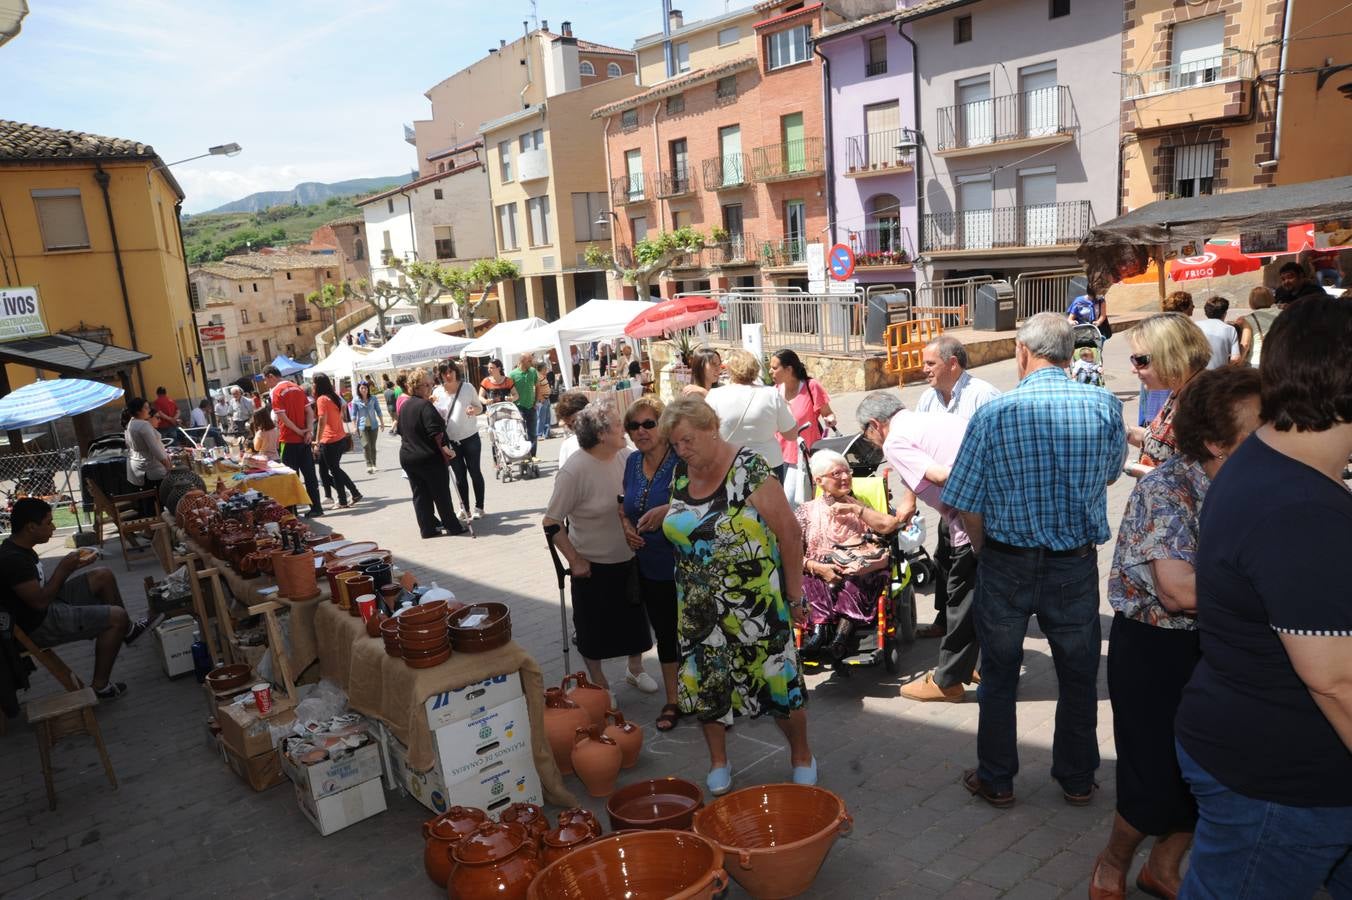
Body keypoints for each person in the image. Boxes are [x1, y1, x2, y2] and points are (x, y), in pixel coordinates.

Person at [1173, 298, 1352, 899]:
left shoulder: (1266, 460)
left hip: (1264, 762)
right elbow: (1336, 681)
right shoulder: (1299, 508)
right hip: (1283, 784)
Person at [1090, 366, 1262, 900]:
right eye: (1261, 428)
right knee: (1154, 773)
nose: (1278, 435)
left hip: (1222, 644)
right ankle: (1111, 863)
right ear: (1214, 441)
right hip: (1157, 649)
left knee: (1213, 768)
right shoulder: (1169, 488)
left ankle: (1162, 865)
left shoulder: (1255, 485)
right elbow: (1178, 592)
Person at [942, 313, 1126, 809]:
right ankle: (1078, 778)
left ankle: (997, 779)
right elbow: (1111, 475)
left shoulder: (994, 413)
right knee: (1078, 673)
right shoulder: (1105, 404)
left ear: (1023, 353)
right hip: (1073, 563)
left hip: (1006, 559)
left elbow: (964, 499)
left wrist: (983, 551)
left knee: (999, 675)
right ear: (1070, 353)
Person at [660, 397, 812, 795]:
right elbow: (691, 513)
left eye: (688, 440)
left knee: (779, 684)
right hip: (697, 608)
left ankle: (801, 754)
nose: (682, 450)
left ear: (712, 428)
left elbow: (790, 532)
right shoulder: (681, 472)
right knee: (709, 686)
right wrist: (664, 514)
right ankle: (719, 761)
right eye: (675, 444)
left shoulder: (748, 469)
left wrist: (795, 597)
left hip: (755, 606)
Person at [858, 392, 976, 702]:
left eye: (867, 435)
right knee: (980, 595)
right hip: (985, 517)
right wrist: (910, 499)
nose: (870, 443)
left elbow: (938, 474)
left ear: (875, 425)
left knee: (960, 598)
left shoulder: (895, 441)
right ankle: (979, 663)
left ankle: (948, 680)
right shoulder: (931, 419)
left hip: (973, 522)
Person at [543, 404, 655, 694]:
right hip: (592, 564)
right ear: (603, 434)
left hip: (629, 558)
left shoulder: (627, 457)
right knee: (593, 631)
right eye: (620, 425)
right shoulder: (574, 471)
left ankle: (636, 669)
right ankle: (600, 683)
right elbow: (552, 522)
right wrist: (575, 559)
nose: (626, 430)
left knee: (636, 625)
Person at [0, 498, 152, 699]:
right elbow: (40, 602)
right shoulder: (13, 559)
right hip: (38, 625)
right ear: (30, 527)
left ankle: (128, 631)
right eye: (48, 523)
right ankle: (100, 686)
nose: (53, 527)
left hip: (45, 605)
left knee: (103, 575)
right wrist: (64, 569)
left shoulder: (21, 547)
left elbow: (42, 592)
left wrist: (74, 566)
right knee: (117, 617)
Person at [915, 334, 1002, 639]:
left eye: (930, 363)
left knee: (974, 562)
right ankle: (945, 619)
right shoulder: (927, 399)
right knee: (944, 557)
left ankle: (978, 625)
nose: (923, 369)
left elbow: (999, 447)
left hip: (978, 501)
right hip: (946, 500)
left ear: (952, 363)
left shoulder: (983, 396)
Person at [794, 448, 902, 666]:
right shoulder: (806, 511)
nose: (845, 477)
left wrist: (855, 509)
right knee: (812, 575)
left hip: (858, 570)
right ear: (819, 481)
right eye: (837, 474)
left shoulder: (859, 504)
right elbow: (792, 553)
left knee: (855, 578)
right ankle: (820, 631)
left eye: (847, 472)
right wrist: (816, 566)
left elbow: (889, 527)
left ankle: (841, 638)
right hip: (820, 570)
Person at [618, 396, 680, 725]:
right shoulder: (631, 463)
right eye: (633, 426)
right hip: (649, 566)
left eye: (648, 424)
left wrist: (668, 510)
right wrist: (626, 526)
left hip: (683, 564)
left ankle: (702, 692)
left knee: (693, 633)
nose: (640, 431)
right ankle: (673, 700)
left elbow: (704, 499)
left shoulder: (680, 459)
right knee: (666, 634)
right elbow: (622, 503)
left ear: (663, 425)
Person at [1124, 313, 1213, 477]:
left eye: (1140, 360)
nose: (1133, 369)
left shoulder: (1202, 403)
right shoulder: (1180, 391)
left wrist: (1126, 466)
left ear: (1171, 356)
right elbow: (1161, 444)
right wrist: (1123, 431)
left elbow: (1189, 477)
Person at [705, 349, 797, 482]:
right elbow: (791, 434)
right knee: (770, 502)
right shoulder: (771, 394)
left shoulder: (714, 396)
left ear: (730, 370)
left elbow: (706, 434)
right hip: (767, 463)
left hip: (729, 463)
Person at [396, 368, 465, 538]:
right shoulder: (425, 405)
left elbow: (400, 430)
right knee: (440, 493)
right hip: (428, 457)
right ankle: (452, 526)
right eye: (426, 385)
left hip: (408, 457)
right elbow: (435, 433)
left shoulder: (405, 406)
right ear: (416, 387)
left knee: (420, 494)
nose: (429, 388)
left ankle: (427, 529)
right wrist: (446, 450)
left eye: (430, 384)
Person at [262, 365, 323, 517]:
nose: (265, 383)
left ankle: (292, 512)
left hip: (289, 440)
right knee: (310, 475)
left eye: (265, 379)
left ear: (271, 376)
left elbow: (282, 418)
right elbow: (309, 412)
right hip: (304, 440)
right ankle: (316, 508)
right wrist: (308, 431)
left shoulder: (276, 391)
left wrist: (299, 431)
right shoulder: (297, 388)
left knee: (290, 477)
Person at [771, 349, 837, 488]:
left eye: (774, 368)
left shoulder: (811, 386)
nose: (770, 371)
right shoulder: (775, 390)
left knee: (794, 501)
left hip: (805, 457)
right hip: (779, 456)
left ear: (789, 369)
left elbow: (828, 413)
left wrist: (830, 419)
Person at [434, 360, 486, 519]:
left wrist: (473, 410)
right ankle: (465, 508)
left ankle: (479, 507)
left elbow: (480, 408)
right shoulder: (437, 392)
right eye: (444, 373)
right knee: (459, 476)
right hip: (451, 441)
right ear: (440, 375)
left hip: (470, 437)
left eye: (451, 371)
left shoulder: (467, 387)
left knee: (475, 472)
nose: (448, 375)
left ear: (456, 371)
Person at [312, 374, 362, 509]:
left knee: (334, 470)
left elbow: (322, 421)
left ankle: (344, 498)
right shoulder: (334, 397)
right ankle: (346, 494)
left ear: (318, 385)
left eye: (313, 383)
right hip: (338, 437)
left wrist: (317, 441)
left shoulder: (322, 399)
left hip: (329, 440)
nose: (312, 386)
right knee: (328, 469)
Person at [123, 397, 171, 515]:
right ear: (139, 410)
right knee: (160, 500)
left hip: (141, 467)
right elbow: (154, 448)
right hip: (152, 468)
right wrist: (168, 466)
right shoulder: (143, 425)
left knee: (150, 502)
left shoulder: (131, 424)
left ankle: (151, 530)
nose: (149, 410)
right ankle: (158, 530)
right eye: (146, 407)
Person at [1237, 285, 1280, 366]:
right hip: (1279, 358)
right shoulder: (1283, 313)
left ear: (1252, 301)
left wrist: (1240, 362)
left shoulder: (1249, 318)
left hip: (1257, 360)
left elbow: (1245, 344)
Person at [509, 352, 540, 458]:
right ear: (522, 361)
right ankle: (524, 455)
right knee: (521, 433)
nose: (531, 363)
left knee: (532, 433)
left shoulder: (533, 371)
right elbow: (510, 392)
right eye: (529, 361)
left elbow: (538, 387)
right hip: (518, 407)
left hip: (531, 407)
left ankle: (533, 456)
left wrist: (536, 402)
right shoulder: (512, 374)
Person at [349, 380, 383, 474]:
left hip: (374, 426)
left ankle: (374, 465)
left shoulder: (373, 398)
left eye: (365, 388)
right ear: (359, 390)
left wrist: (382, 423)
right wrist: (354, 427)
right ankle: (368, 465)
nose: (364, 389)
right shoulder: (355, 400)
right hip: (362, 426)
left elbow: (378, 410)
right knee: (366, 445)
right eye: (362, 388)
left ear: (368, 389)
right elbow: (353, 414)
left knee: (372, 446)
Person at [1196, 296, 1240, 369]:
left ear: (1206, 313)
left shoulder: (1195, 326)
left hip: (1198, 375)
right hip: (1219, 376)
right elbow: (1235, 359)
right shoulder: (1230, 329)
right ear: (1225, 313)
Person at [554, 391, 589, 470]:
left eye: (575, 421)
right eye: (569, 426)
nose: (574, 428)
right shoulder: (568, 445)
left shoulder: (608, 437)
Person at [533, 360, 552, 443]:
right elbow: (536, 389)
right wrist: (540, 398)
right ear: (541, 369)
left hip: (546, 399)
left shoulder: (543, 376)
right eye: (545, 368)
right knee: (541, 418)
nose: (546, 370)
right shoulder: (538, 377)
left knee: (547, 417)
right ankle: (539, 434)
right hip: (542, 400)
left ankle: (546, 433)